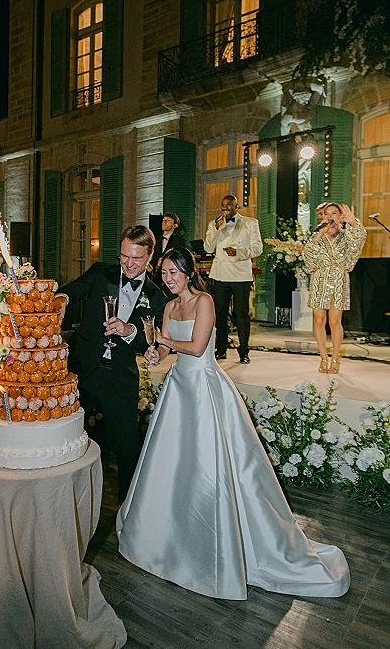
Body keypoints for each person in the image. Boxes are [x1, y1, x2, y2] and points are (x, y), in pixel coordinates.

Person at [116, 247, 350, 600]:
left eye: (173, 272)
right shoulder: (167, 307)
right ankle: (170, 536)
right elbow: (168, 350)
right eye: (163, 273)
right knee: (172, 466)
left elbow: (195, 348)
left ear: (188, 272)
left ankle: (219, 540)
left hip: (205, 389)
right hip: (178, 388)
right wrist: (155, 352)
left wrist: (164, 341)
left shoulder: (205, 301)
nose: (168, 278)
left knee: (212, 467)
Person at [54, 226, 167, 503]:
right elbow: (77, 288)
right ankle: (61, 498)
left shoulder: (156, 296)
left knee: (128, 447)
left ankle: (128, 507)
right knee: (68, 437)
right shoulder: (101, 272)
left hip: (119, 377)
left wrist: (129, 330)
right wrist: (62, 298)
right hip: (83, 369)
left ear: (151, 256)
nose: (128, 264)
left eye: (136, 258)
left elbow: (148, 341)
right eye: (124, 256)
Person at [303, 203, 366, 373]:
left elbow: (357, 244)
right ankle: (323, 358)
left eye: (334, 213)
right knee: (319, 320)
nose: (330, 216)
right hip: (319, 279)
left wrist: (353, 223)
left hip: (339, 279)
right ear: (322, 217)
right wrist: (317, 236)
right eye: (326, 214)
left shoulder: (347, 236)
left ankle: (336, 358)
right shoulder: (318, 235)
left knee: (334, 321)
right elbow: (308, 258)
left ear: (340, 216)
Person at [204, 195, 262, 363]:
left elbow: (258, 248)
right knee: (220, 314)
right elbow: (208, 247)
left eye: (229, 205)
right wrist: (216, 229)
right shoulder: (214, 224)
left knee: (241, 313)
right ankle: (220, 348)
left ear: (237, 206)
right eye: (223, 205)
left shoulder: (250, 223)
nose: (226, 208)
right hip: (220, 274)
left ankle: (244, 351)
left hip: (241, 274)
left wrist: (239, 253)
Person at [152, 212, 186, 297]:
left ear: (175, 225)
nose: (164, 222)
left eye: (168, 220)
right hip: (157, 278)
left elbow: (178, 258)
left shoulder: (179, 240)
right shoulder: (156, 240)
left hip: (171, 278)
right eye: (163, 220)